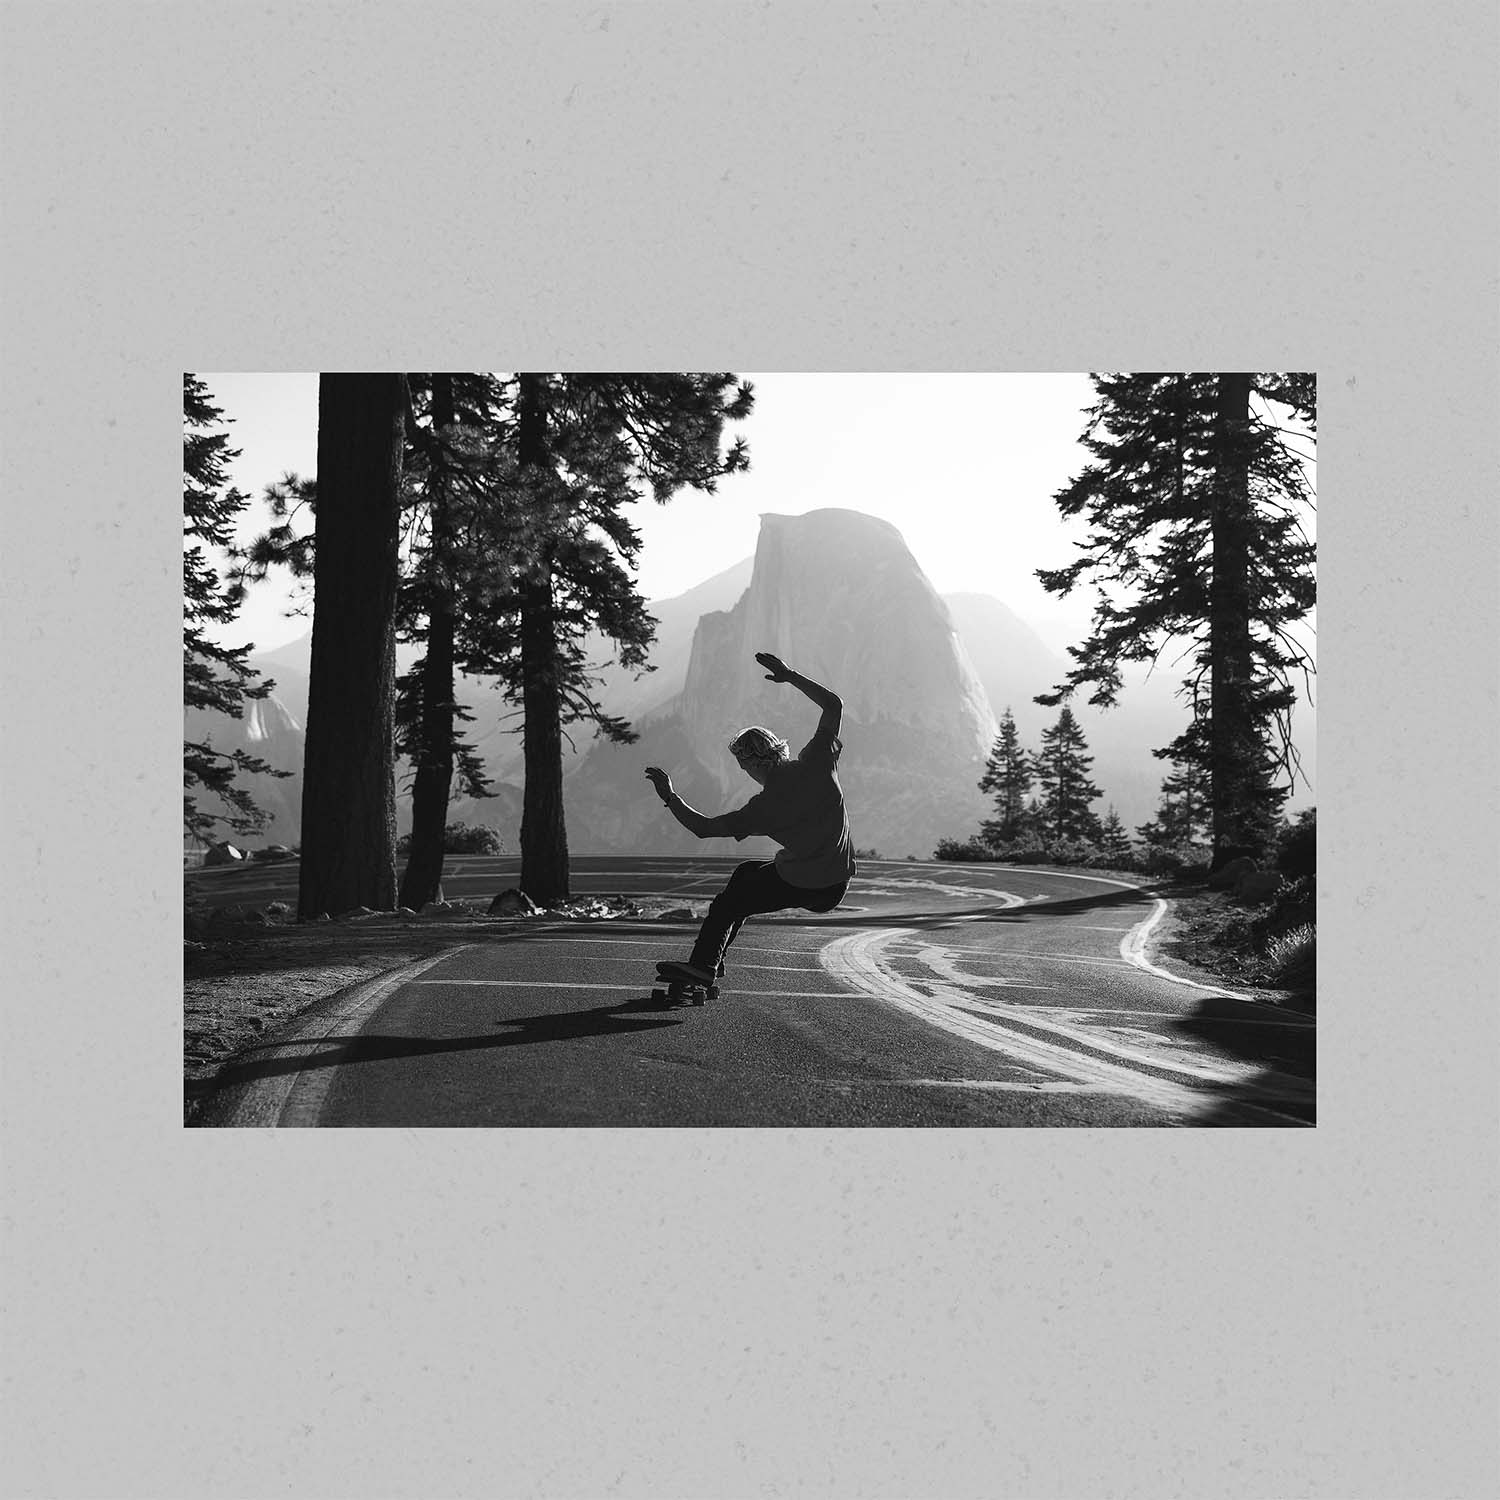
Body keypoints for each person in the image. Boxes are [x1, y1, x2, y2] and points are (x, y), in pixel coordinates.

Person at [644, 651, 856, 986]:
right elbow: (834, 705)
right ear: (779, 751)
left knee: (728, 904)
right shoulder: (816, 761)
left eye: (742, 766)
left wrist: (670, 797)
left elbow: (703, 828)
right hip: (838, 882)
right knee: (745, 874)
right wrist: (789, 675)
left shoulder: (764, 807)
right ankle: (715, 961)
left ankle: (703, 966)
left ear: (750, 764)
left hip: (805, 883)